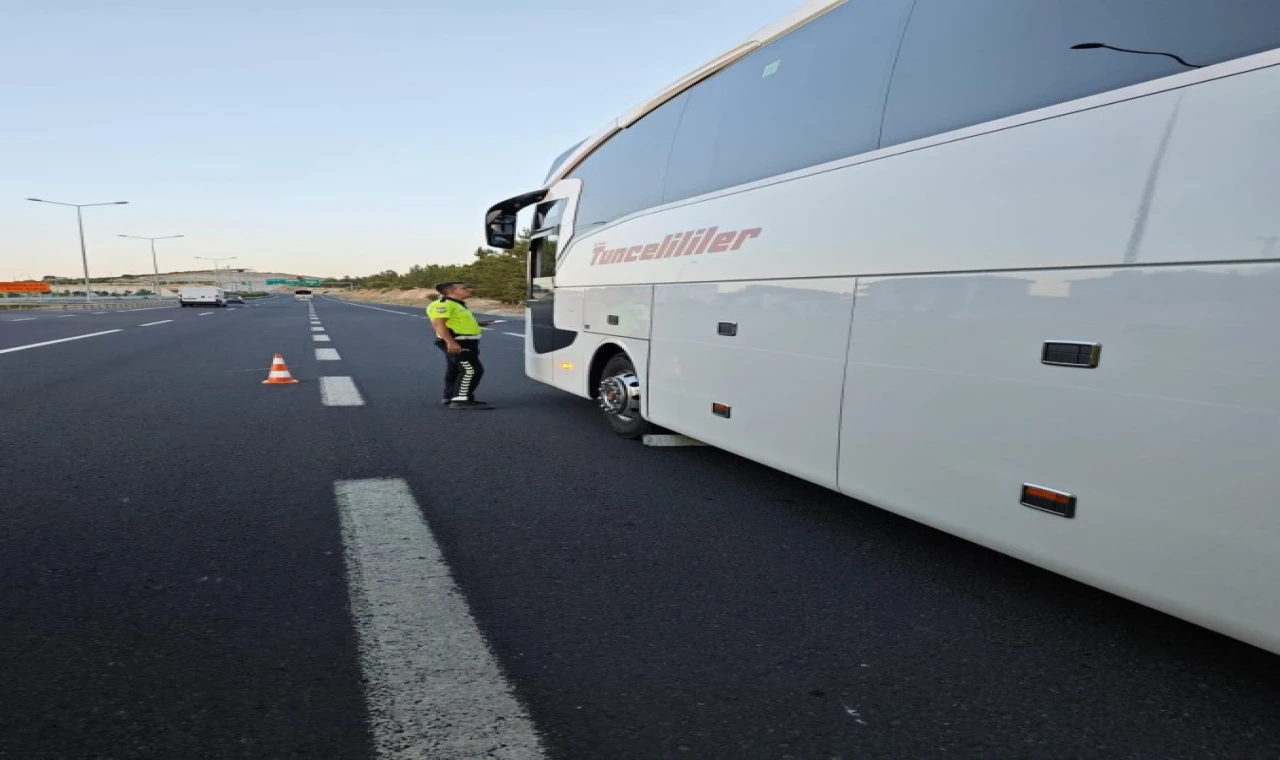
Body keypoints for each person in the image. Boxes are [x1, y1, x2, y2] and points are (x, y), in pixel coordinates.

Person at [428, 281, 495, 410]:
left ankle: (451, 396)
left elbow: (454, 322)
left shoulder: (456, 304)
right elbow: (439, 324)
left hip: (463, 340)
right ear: (453, 291)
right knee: (471, 370)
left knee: (455, 369)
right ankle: (460, 400)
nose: (469, 289)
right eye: (464, 288)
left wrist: (477, 324)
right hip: (458, 341)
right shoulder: (445, 304)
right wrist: (451, 342)